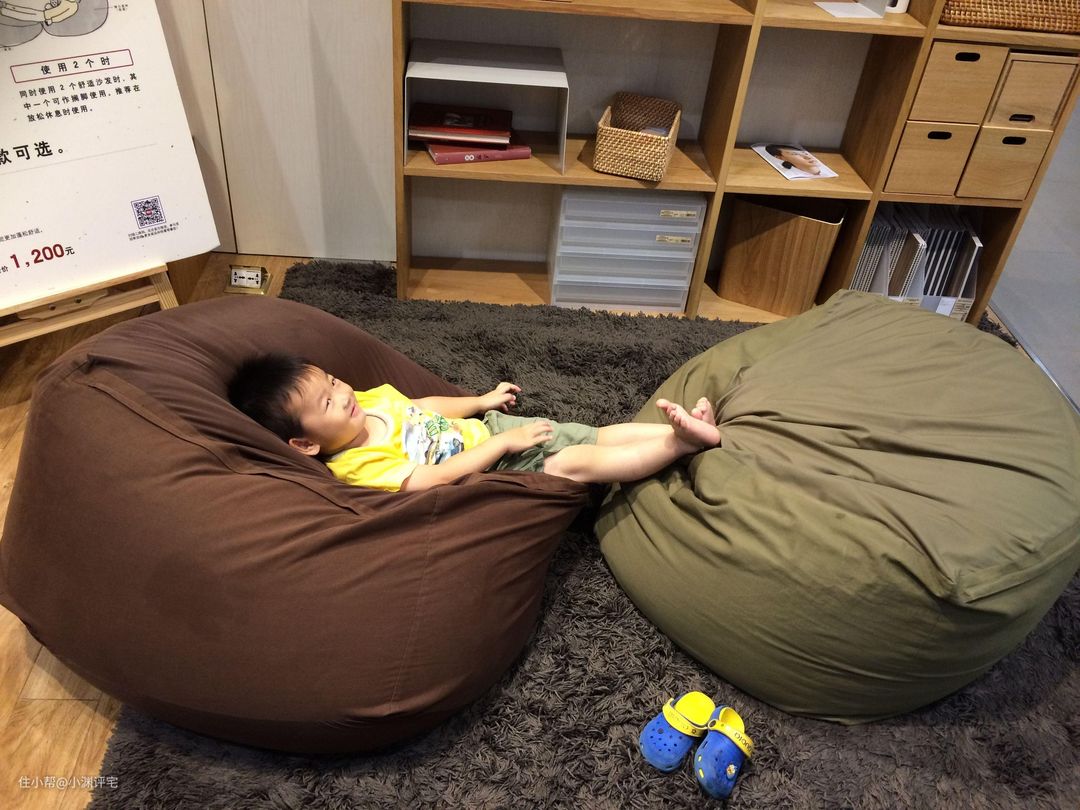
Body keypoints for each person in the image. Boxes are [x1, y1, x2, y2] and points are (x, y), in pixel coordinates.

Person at [227, 353, 721, 493]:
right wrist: (505, 448)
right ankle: (680, 445)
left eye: (334, 381)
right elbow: (437, 477)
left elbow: (428, 407)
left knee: (590, 434)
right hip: (492, 471)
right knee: (577, 461)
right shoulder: (357, 464)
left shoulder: (371, 401)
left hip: (494, 433)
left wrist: (481, 401)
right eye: (328, 402)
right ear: (305, 444)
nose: (343, 394)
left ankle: (678, 430)